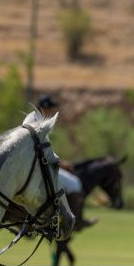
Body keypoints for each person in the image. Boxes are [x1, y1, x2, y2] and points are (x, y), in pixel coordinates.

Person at [36, 94, 98, 231]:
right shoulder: (39, 125)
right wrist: (59, 164)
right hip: (40, 171)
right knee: (75, 183)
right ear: (44, 108)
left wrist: (60, 162)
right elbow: (39, 154)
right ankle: (76, 221)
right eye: (51, 108)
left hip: (39, 168)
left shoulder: (35, 121)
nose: (53, 112)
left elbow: (43, 152)